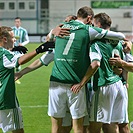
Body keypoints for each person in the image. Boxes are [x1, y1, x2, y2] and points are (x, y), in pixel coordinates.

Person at [48, 6, 127, 133]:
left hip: (60, 80)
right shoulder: (89, 30)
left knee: (63, 126)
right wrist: (127, 43)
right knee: (92, 126)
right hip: (104, 84)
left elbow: (48, 39)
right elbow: (121, 36)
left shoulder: (64, 27)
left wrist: (52, 31)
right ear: (89, 18)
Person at [70, 12, 130, 133]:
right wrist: (125, 76)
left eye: (93, 24)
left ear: (98, 24)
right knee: (115, 125)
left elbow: (96, 64)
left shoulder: (97, 43)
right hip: (120, 86)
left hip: (104, 86)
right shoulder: (120, 42)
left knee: (94, 126)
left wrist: (81, 83)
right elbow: (127, 64)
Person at [0, 26, 55, 133]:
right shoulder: (4, 54)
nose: (15, 40)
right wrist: (39, 50)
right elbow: (20, 61)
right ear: (5, 39)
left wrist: (13, 48)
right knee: (18, 130)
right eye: (13, 37)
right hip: (5, 100)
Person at [12, 17, 30, 84]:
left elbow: (27, 40)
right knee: (12, 63)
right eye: (16, 21)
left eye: (18, 21)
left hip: (20, 50)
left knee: (18, 63)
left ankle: (16, 77)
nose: (17, 23)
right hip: (12, 50)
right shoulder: (11, 30)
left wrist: (22, 44)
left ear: (20, 22)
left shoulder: (23, 31)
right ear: (14, 22)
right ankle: (13, 77)